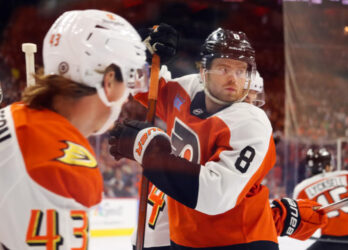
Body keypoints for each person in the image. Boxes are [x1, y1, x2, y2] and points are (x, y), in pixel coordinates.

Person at [109, 26, 327, 249]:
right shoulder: (188, 89)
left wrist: (149, 152)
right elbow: (145, 85)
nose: (233, 78)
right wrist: (141, 53)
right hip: (191, 237)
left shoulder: (250, 121)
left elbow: (214, 195)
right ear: (204, 72)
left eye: (241, 71)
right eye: (224, 69)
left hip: (237, 243)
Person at [0, 9, 146, 250]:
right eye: (129, 79)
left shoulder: (13, 116)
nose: (128, 95)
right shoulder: (62, 164)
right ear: (108, 82)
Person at [293, 147, 348, 250]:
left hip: (330, 240)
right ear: (328, 165)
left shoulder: (302, 189)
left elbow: (300, 222)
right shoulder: (346, 175)